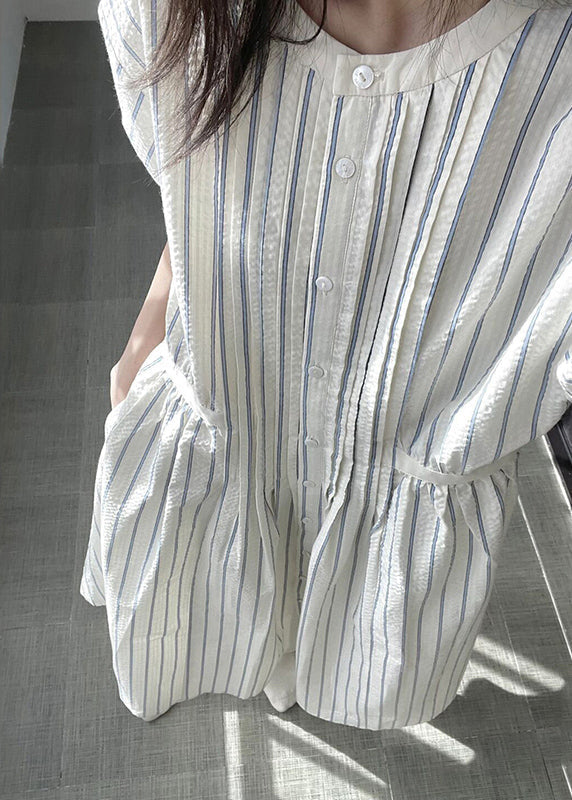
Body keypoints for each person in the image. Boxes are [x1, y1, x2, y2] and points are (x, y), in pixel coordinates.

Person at [80, 0, 572, 729]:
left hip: (399, 519)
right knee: (206, 636)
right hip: (214, 431)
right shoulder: (165, 12)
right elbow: (194, 180)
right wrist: (149, 324)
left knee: (335, 666)